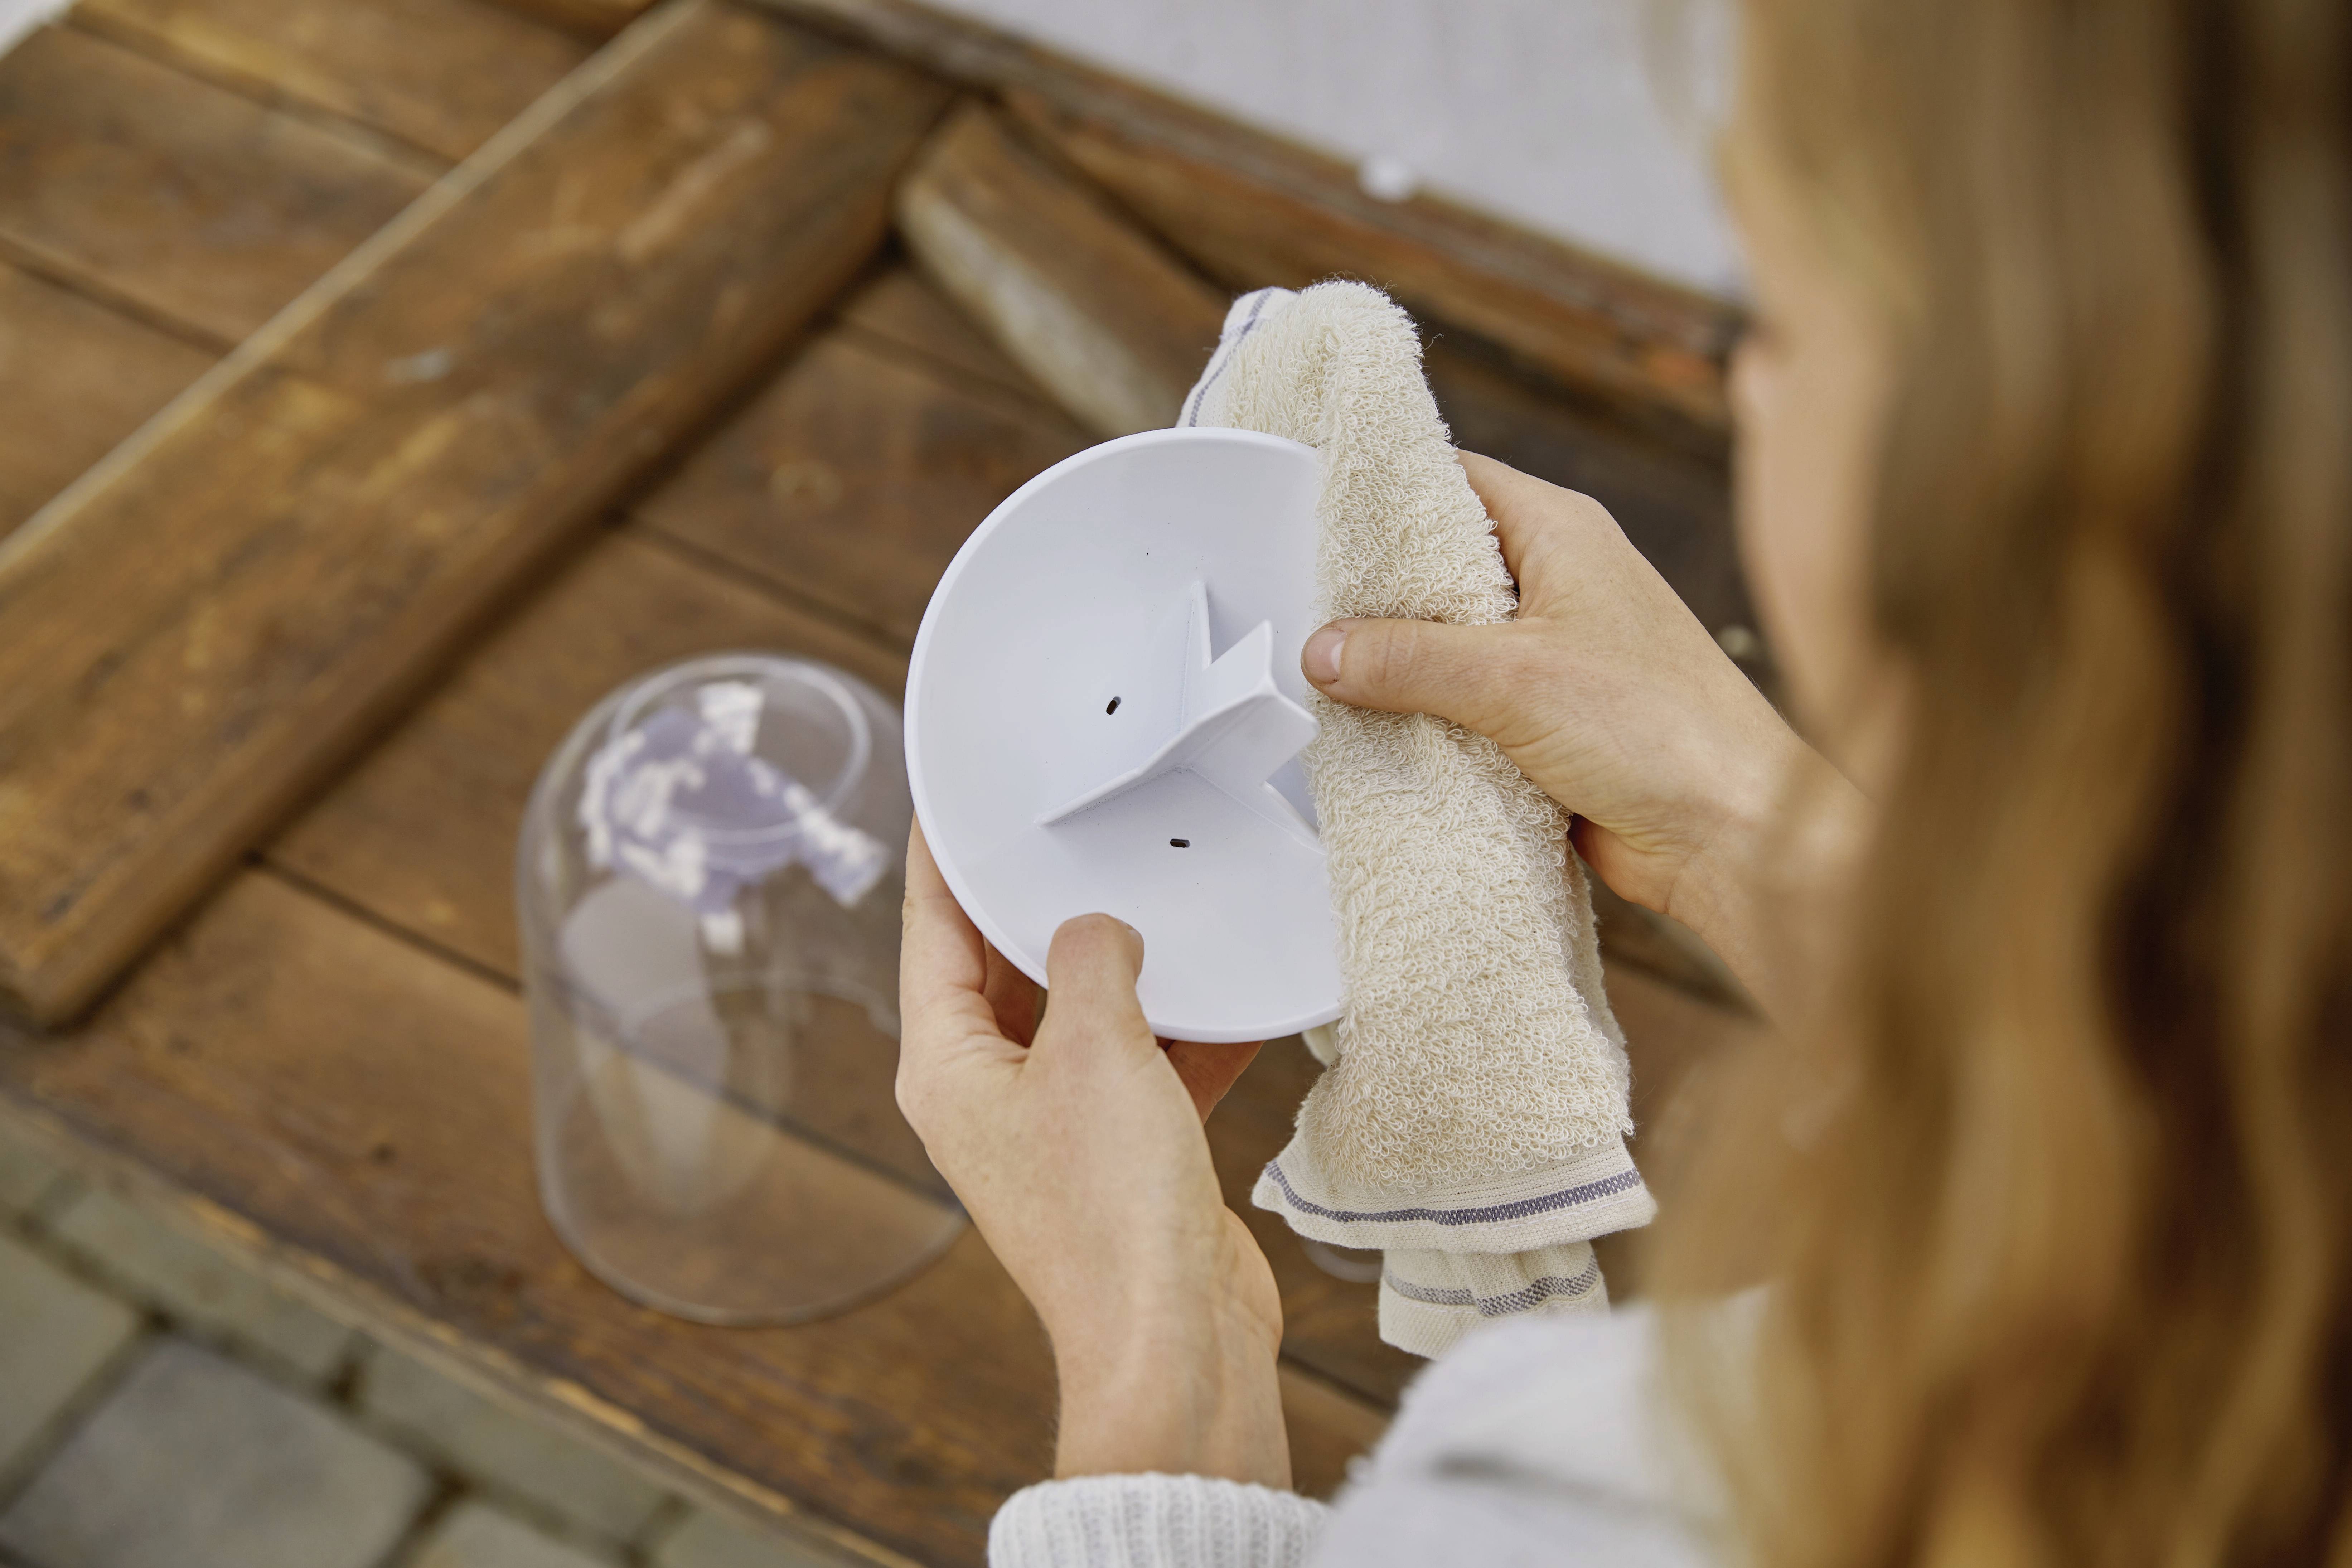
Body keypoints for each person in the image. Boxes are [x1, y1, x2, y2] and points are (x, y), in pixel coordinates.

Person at [896, 0, 2352, 1561]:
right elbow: (2170, 1198)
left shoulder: (1610, 1498)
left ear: (2032, 506)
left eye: (1766, 321)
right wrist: (1745, 832)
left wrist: (1154, 1385)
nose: (1741, 393)